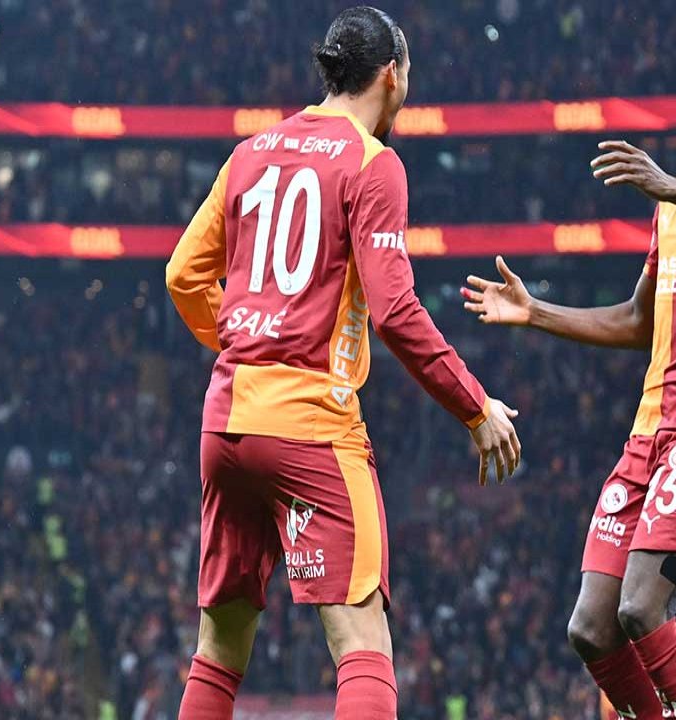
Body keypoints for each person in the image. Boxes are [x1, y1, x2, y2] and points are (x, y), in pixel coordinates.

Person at [165, 7, 521, 719]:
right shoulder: (373, 163)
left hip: (226, 422)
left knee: (220, 645)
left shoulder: (250, 152)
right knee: (361, 641)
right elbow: (395, 311)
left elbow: (182, 274)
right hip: (311, 428)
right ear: (391, 75)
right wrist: (475, 407)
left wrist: (244, 341)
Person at [462, 50, 676, 719]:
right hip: (650, 431)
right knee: (592, 627)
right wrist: (536, 312)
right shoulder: (671, 208)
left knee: (642, 607)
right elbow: (635, 321)